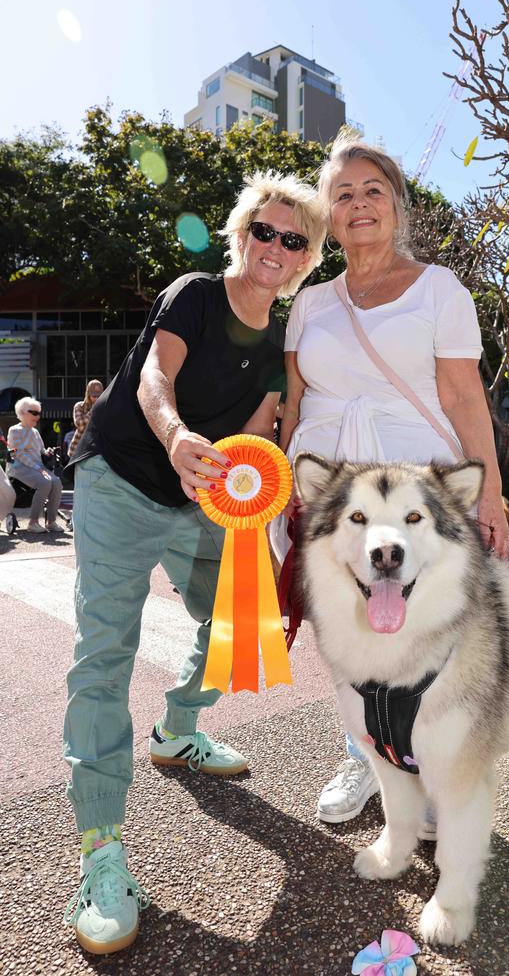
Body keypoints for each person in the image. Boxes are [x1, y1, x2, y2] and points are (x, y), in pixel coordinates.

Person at [62, 171, 326, 955]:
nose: (275, 248)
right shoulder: (195, 293)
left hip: (202, 503)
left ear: (308, 257)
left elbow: (253, 438)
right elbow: (153, 376)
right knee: (103, 653)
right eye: (264, 231)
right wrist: (175, 435)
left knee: (242, 623)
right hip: (122, 478)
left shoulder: (283, 347)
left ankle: (177, 729)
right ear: (239, 233)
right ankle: (102, 853)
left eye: (294, 239)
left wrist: (268, 487)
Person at [278, 133, 509, 829]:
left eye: (372, 189)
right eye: (342, 193)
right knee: (349, 631)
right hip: (332, 500)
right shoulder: (310, 304)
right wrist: (276, 485)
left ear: (397, 205)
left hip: (417, 497)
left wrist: (491, 491)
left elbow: (466, 398)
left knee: (424, 633)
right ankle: (366, 756)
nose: (358, 203)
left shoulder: (440, 289)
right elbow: (293, 400)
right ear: (329, 213)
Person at [6, 396, 63, 533]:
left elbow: (41, 450)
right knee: (45, 482)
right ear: (23, 413)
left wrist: (47, 451)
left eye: (39, 413)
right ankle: (33, 522)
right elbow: (18, 454)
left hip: (37, 468)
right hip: (19, 469)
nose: (38, 416)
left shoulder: (35, 432)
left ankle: (51, 521)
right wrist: (39, 468)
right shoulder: (14, 430)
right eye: (35, 413)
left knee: (57, 482)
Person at [68, 379, 104, 459]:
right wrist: (95, 409)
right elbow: (80, 424)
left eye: (99, 396)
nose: (97, 399)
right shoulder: (79, 406)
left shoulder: (105, 408)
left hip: (97, 452)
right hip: (78, 451)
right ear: (88, 394)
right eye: (94, 396)